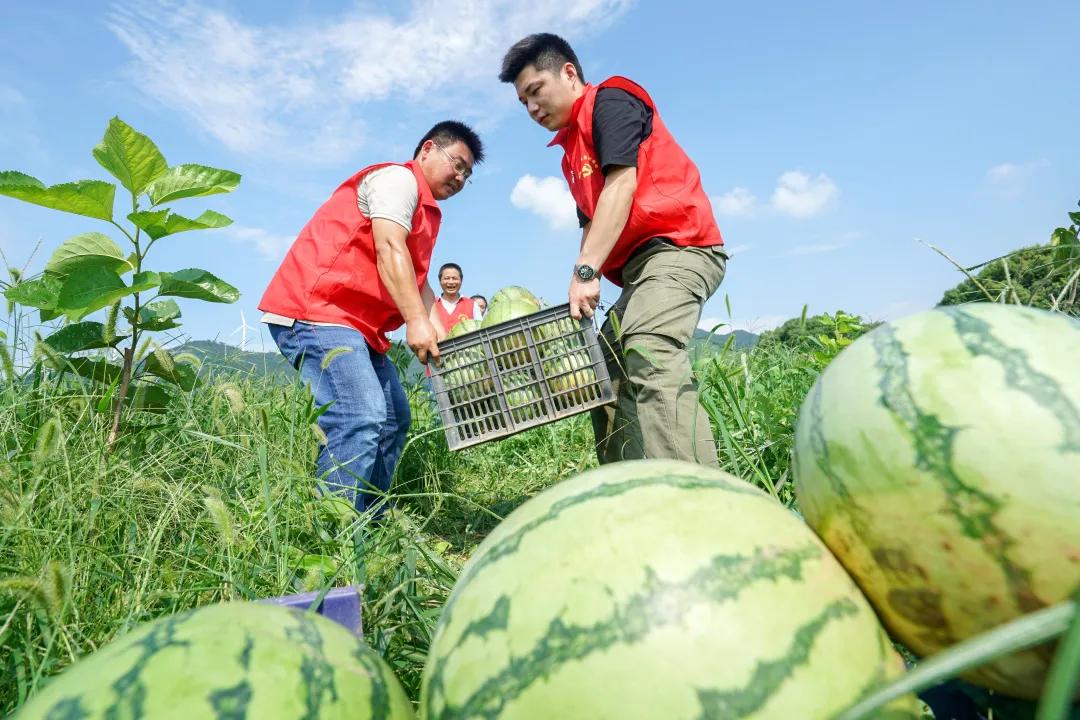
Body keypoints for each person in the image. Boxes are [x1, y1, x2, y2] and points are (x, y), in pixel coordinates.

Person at [500, 33, 727, 467]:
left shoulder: (612, 100)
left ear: (568, 73)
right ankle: (627, 486)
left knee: (648, 346)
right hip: (639, 272)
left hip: (680, 248)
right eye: (523, 102)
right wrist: (580, 277)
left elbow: (621, 185)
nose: (531, 108)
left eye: (535, 91)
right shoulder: (569, 154)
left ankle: (698, 492)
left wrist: (586, 273)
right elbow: (591, 224)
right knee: (603, 372)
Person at [258, 121, 484, 512]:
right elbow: (389, 248)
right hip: (320, 313)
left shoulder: (425, 211)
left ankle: (369, 524)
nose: (460, 178)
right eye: (457, 164)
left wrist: (445, 337)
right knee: (359, 414)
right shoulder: (398, 181)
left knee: (394, 420)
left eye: (467, 174)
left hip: (358, 329)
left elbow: (418, 283)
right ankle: (334, 534)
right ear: (428, 149)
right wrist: (416, 322)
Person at [428, 262, 481, 336]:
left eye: (454, 278)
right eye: (447, 278)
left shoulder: (472, 304)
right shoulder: (431, 305)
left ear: (461, 281)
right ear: (440, 281)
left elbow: (480, 328)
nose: (451, 282)